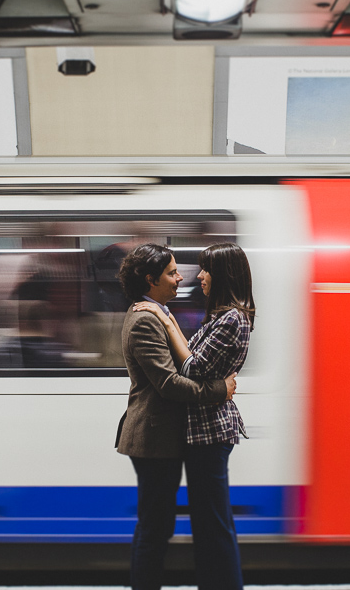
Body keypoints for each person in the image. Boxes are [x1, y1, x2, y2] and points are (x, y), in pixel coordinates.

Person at [115, 243, 238, 590]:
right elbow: (169, 383)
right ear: (150, 279)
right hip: (153, 438)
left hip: (165, 437)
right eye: (171, 272)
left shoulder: (161, 314)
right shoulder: (144, 320)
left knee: (157, 526)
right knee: (154, 528)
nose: (180, 277)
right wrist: (220, 390)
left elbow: (189, 362)